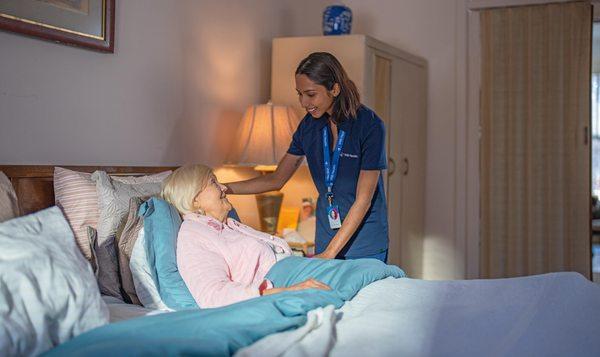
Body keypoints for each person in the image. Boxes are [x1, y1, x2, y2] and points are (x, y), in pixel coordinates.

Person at [225, 52, 389, 262]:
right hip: (326, 236)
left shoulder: (370, 126)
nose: (303, 102)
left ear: (334, 89)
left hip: (365, 241)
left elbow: (363, 199)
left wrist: (330, 253)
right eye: (299, 94)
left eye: (310, 94)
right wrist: (224, 187)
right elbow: (275, 180)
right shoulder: (309, 126)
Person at [162, 165, 331, 309]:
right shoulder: (193, 235)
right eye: (214, 182)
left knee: (355, 273)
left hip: (298, 275)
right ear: (195, 199)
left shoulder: (229, 225)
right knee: (354, 277)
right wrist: (290, 291)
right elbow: (214, 296)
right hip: (285, 288)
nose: (224, 188)